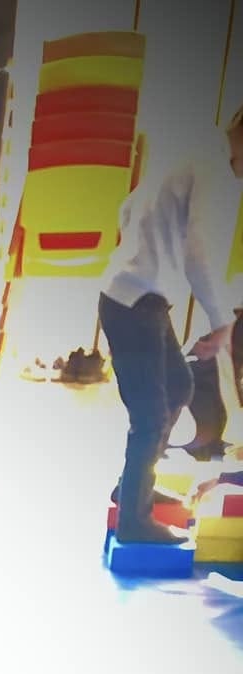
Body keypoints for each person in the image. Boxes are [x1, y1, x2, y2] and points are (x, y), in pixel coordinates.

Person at [99, 102, 243, 543]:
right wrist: (222, 323)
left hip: (139, 296)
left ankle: (132, 488)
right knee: (149, 415)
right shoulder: (212, 172)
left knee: (179, 386)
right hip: (135, 301)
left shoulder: (192, 155)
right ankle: (134, 524)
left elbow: (128, 209)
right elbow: (199, 252)